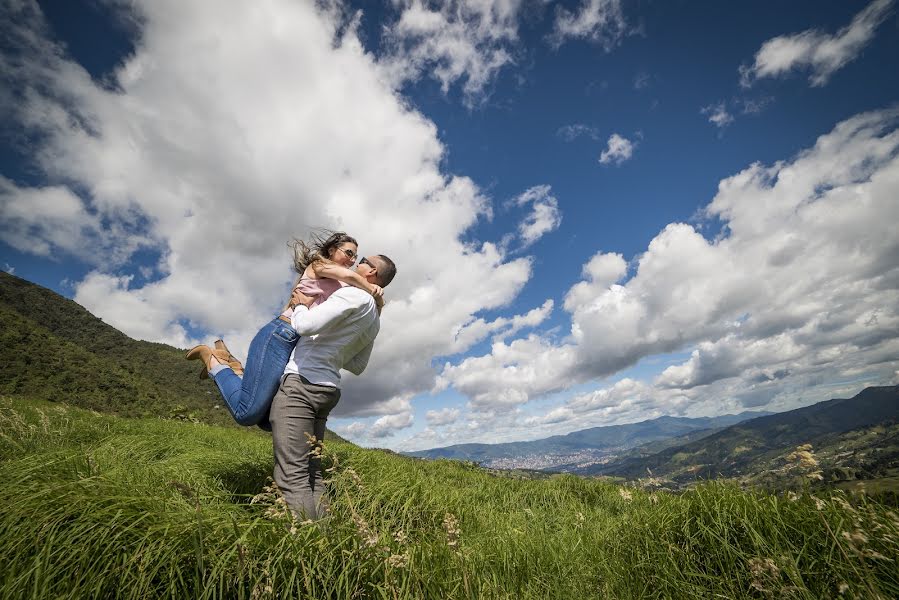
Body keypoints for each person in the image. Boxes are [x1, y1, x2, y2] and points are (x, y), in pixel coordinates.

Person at [186, 232, 383, 428]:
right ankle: (215, 362)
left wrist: (378, 303)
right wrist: (373, 289)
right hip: (283, 333)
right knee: (246, 414)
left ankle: (237, 371)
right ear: (332, 250)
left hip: (298, 343)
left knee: (271, 420)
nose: (352, 260)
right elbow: (349, 275)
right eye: (349, 253)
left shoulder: (346, 287)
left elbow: (363, 320)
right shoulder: (319, 265)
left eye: (356, 257)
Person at [270, 252, 396, 520]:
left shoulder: (354, 295)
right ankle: (324, 538)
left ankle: (306, 546)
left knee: (293, 475)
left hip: (302, 384)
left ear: (371, 272)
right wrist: (335, 347)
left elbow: (305, 325)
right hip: (328, 390)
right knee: (312, 472)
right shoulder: (375, 315)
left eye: (362, 260)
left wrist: (302, 304)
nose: (356, 263)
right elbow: (358, 365)